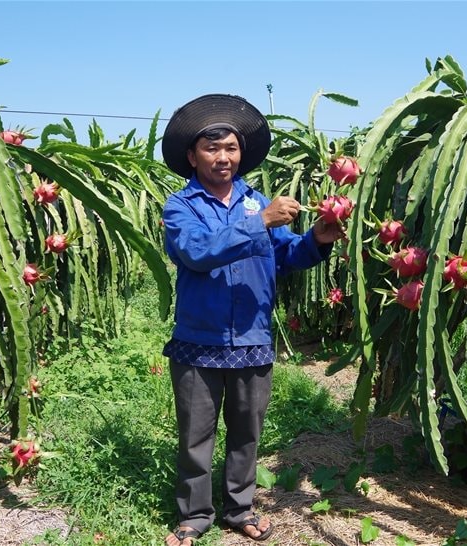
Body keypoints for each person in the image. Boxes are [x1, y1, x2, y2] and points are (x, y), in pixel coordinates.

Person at [160, 94, 345, 546]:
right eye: (212, 148)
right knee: (195, 436)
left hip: (252, 338)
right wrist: (259, 221)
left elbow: (285, 255)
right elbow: (196, 253)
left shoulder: (257, 201)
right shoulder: (181, 207)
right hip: (198, 342)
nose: (223, 158)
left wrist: (317, 239)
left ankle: (239, 508)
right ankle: (194, 516)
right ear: (192, 156)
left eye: (231, 149)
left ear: (241, 153)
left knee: (246, 434)